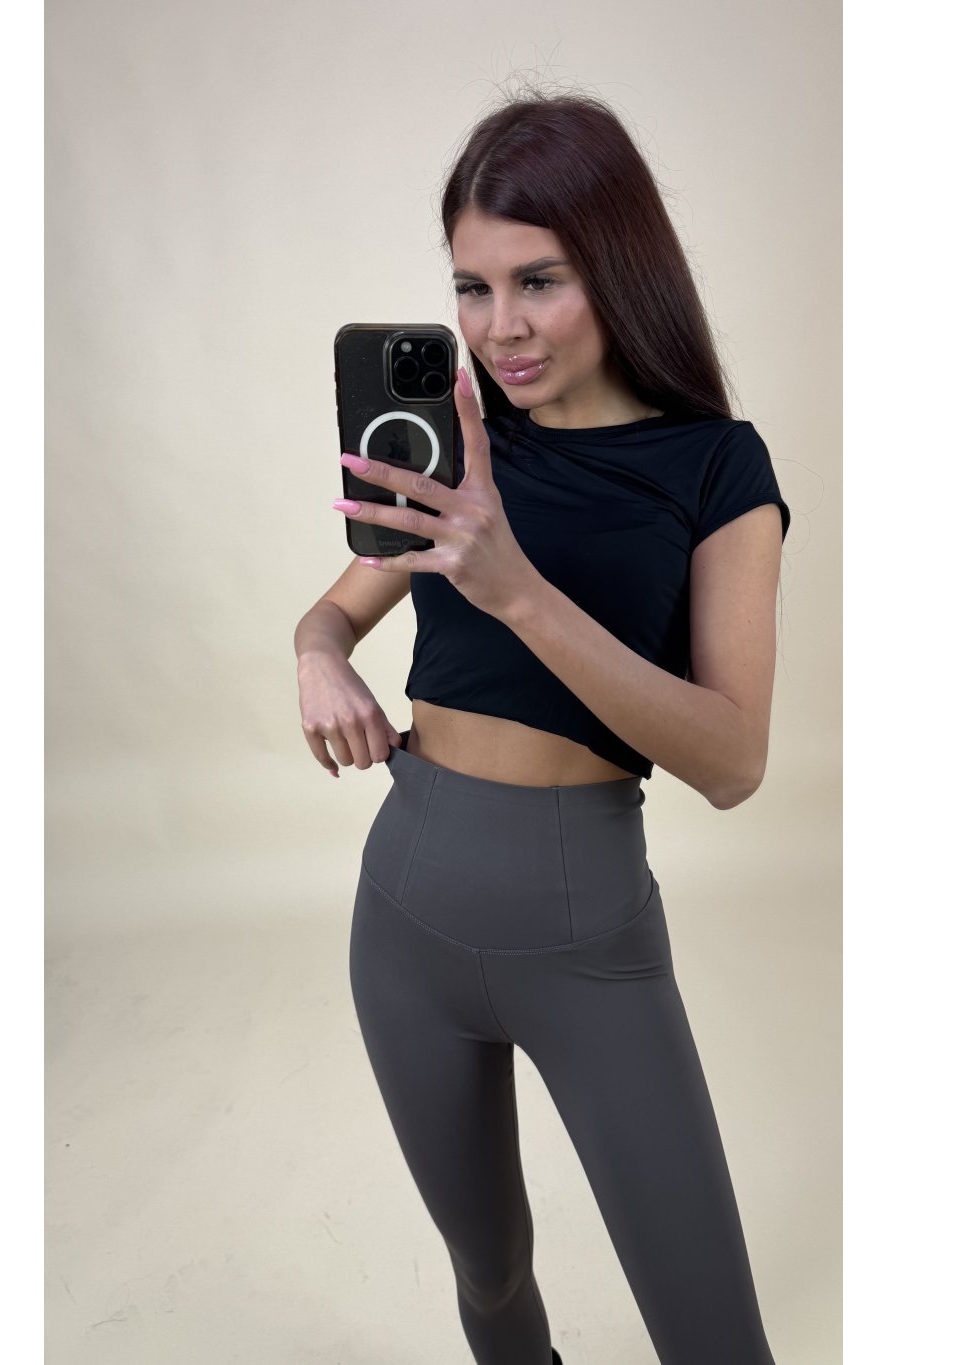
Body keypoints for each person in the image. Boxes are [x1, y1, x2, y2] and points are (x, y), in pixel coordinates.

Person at [294, 89, 790, 1365]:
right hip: (402, 916)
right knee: (490, 1273)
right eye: (471, 287)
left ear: (616, 267)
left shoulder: (715, 467)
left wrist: (512, 585)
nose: (498, 328)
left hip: (589, 942)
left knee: (713, 1334)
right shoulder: (461, 447)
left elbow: (732, 762)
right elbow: (332, 613)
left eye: (538, 281)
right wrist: (318, 660)